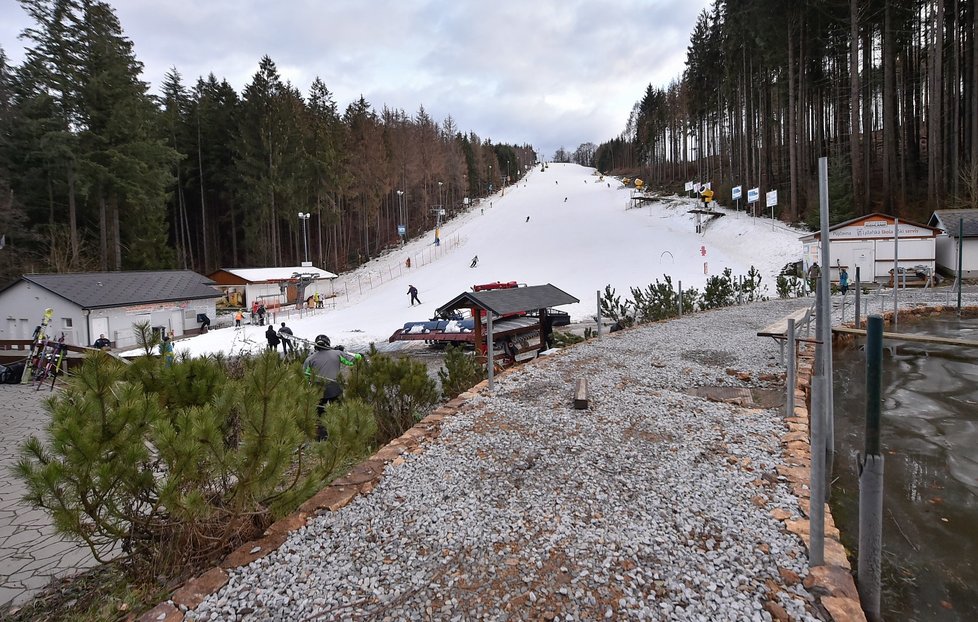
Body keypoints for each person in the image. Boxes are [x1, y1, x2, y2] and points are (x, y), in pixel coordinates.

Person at [303, 335, 363, 439]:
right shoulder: (337, 353)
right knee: (339, 410)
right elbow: (353, 361)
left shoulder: (310, 359)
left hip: (318, 390)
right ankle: (340, 434)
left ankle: (322, 437)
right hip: (335, 388)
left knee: (320, 414)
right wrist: (359, 355)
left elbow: (305, 376)